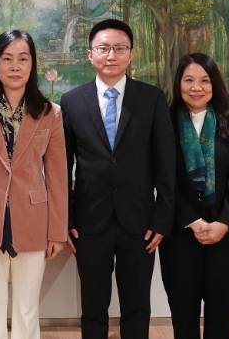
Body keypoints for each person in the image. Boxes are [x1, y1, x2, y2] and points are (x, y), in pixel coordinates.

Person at [60, 18, 176, 339]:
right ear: (90, 54)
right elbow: (61, 166)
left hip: (140, 221)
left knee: (137, 305)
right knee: (93, 306)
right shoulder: (71, 101)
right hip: (88, 221)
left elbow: (166, 163)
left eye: (119, 48)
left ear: (131, 54)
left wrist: (163, 217)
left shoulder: (151, 98)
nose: (111, 55)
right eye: (104, 48)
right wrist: (65, 218)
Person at [0, 30, 68, 339]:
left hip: (33, 220)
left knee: (27, 307)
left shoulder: (50, 113)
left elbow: (58, 178)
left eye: (23, 58)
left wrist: (57, 231)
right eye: (7, 59)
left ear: (32, 65)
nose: (15, 66)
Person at [159, 53, 229, 339]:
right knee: (183, 314)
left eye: (204, 80)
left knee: (221, 314)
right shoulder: (165, 124)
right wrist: (192, 220)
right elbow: (165, 180)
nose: (196, 87)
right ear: (178, 84)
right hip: (180, 232)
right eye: (189, 80)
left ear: (214, 85)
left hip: (226, 233)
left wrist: (223, 222)